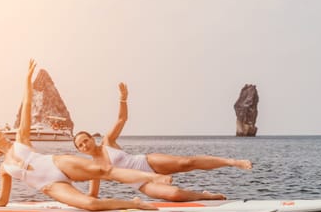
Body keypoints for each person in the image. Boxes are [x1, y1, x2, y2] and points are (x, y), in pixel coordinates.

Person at [0, 60, 173, 212]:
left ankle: (156, 177)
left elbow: (27, 107)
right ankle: (134, 204)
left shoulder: (21, 138)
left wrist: (27, 81)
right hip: (50, 186)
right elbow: (3, 200)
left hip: (58, 163)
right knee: (90, 204)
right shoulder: (4, 168)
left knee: (104, 170)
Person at [73, 82, 253, 202]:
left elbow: (121, 119)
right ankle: (207, 197)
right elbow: (93, 195)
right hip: (141, 183)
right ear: (80, 150)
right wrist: (69, 198)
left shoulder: (107, 142)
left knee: (186, 163)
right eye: (80, 145)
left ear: (92, 139)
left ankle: (232, 162)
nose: (84, 145)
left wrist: (123, 98)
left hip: (146, 162)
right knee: (174, 194)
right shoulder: (93, 169)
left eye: (85, 140)